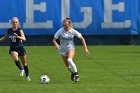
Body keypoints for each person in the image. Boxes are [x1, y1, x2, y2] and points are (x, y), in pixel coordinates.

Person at [52, 18, 89, 82]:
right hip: (62, 49)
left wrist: (85, 48)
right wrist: (56, 45)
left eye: (66, 25)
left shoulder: (73, 31)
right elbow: (54, 40)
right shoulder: (60, 31)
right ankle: (73, 73)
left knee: (69, 60)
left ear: (69, 25)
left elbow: (82, 38)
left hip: (70, 47)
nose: (64, 27)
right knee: (68, 66)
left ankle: (77, 75)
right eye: (63, 25)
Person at [0, 17, 30, 81]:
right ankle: (21, 69)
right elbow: (5, 37)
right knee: (16, 58)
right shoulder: (9, 30)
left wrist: (18, 36)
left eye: (16, 22)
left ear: (18, 23)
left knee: (25, 63)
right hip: (13, 48)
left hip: (20, 48)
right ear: (11, 23)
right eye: (13, 22)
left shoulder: (20, 31)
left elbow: (24, 39)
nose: (15, 23)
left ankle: (27, 76)